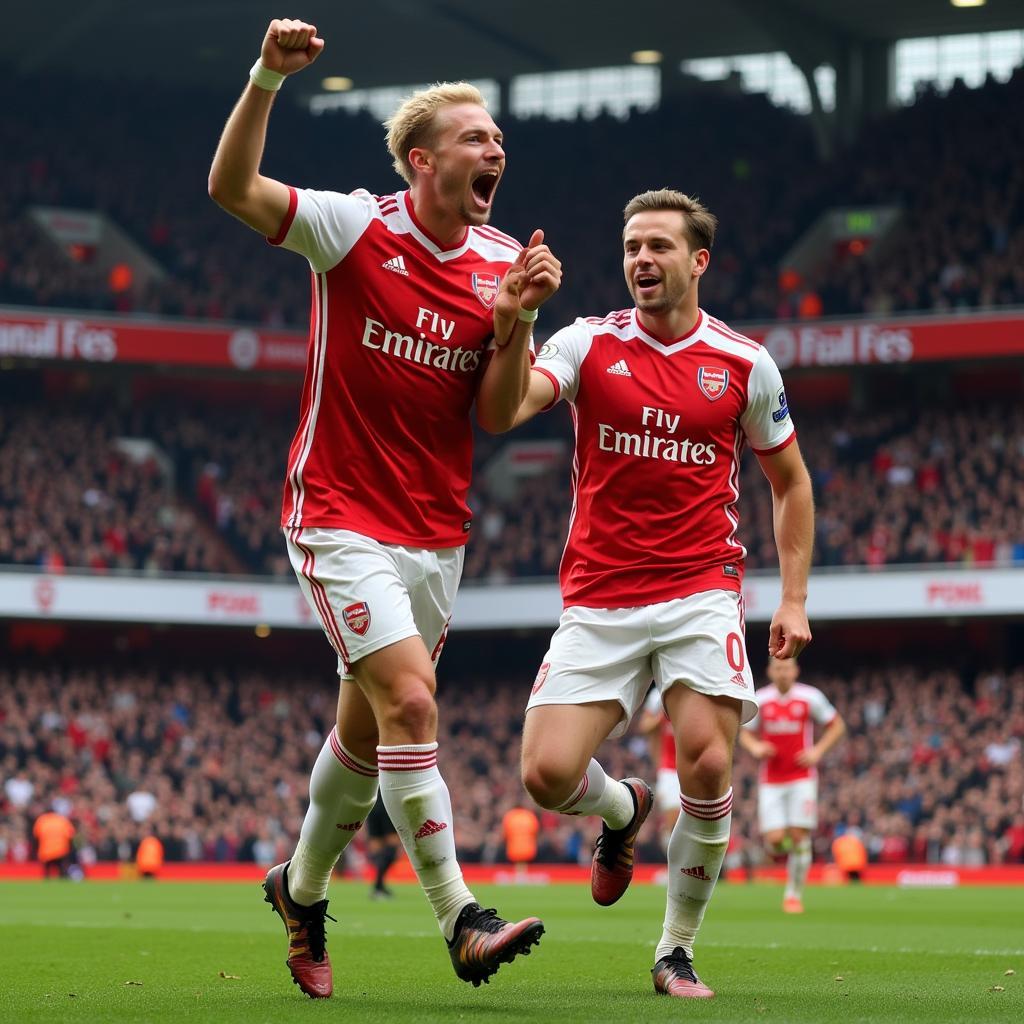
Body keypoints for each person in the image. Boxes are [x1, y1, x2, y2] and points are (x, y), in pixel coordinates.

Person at [208, 17, 561, 998]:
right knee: (411, 700)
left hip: (434, 537)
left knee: (365, 739)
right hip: (336, 513)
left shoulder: (502, 262)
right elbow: (231, 190)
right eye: (474, 137)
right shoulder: (355, 226)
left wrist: (517, 323)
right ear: (420, 158)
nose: (494, 149)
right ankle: (460, 917)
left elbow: (495, 415)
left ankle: (299, 889)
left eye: (498, 139)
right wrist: (266, 78)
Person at [497, 188, 814, 999]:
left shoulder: (743, 363)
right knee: (545, 775)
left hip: (700, 590)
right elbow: (504, 410)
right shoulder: (586, 343)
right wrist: (518, 322)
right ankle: (622, 810)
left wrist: (792, 599)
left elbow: (790, 482)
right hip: (599, 598)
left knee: (708, 760)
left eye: (660, 247)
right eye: (633, 245)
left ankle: (675, 949)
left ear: (697, 260)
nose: (642, 259)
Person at [738, 657, 846, 913]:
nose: (783, 672)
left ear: (796, 670)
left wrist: (817, 751)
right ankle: (784, 847)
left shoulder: (810, 697)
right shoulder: (761, 699)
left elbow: (837, 726)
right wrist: (756, 747)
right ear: (770, 671)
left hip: (802, 778)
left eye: (787, 668)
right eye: (778, 668)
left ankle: (793, 894)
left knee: (799, 836)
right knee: (775, 841)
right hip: (771, 781)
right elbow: (743, 732)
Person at [364, 797, 401, 900]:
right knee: (392, 847)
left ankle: (379, 886)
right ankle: (378, 886)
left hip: (372, 806)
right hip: (387, 804)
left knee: (377, 849)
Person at [502, 801, 540, 881]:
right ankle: (522, 877)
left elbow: (505, 832)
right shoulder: (529, 815)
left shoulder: (510, 815)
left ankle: (519, 877)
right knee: (523, 862)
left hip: (514, 845)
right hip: (528, 845)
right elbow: (536, 831)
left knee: (518, 862)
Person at [33, 808, 76, 879]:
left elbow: (36, 836)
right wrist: (69, 850)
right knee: (62, 870)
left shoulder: (41, 820)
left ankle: (46, 886)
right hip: (61, 850)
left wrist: (36, 850)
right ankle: (63, 885)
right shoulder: (62, 820)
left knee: (47, 872)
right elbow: (70, 835)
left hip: (46, 851)